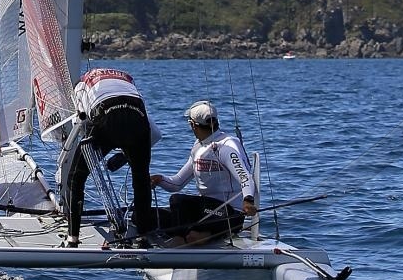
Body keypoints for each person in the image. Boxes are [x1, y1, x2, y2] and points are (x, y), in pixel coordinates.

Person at [56, 66, 157, 247]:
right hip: (137, 117)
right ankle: (143, 237)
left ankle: (72, 239)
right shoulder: (128, 82)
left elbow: (81, 124)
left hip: (106, 117)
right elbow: (155, 134)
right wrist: (124, 156)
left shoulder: (80, 87)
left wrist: (101, 148)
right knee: (141, 179)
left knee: (76, 178)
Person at [151, 101, 257, 242]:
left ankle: (181, 239)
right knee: (147, 215)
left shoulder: (227, 146)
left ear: (193, 125)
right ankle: (193, 235)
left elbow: (245, 177)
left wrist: (248, 200)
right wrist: (159, 179)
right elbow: (177, 184)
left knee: (178, 201)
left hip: (230, 213)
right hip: (207, 210)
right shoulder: (199, 147)